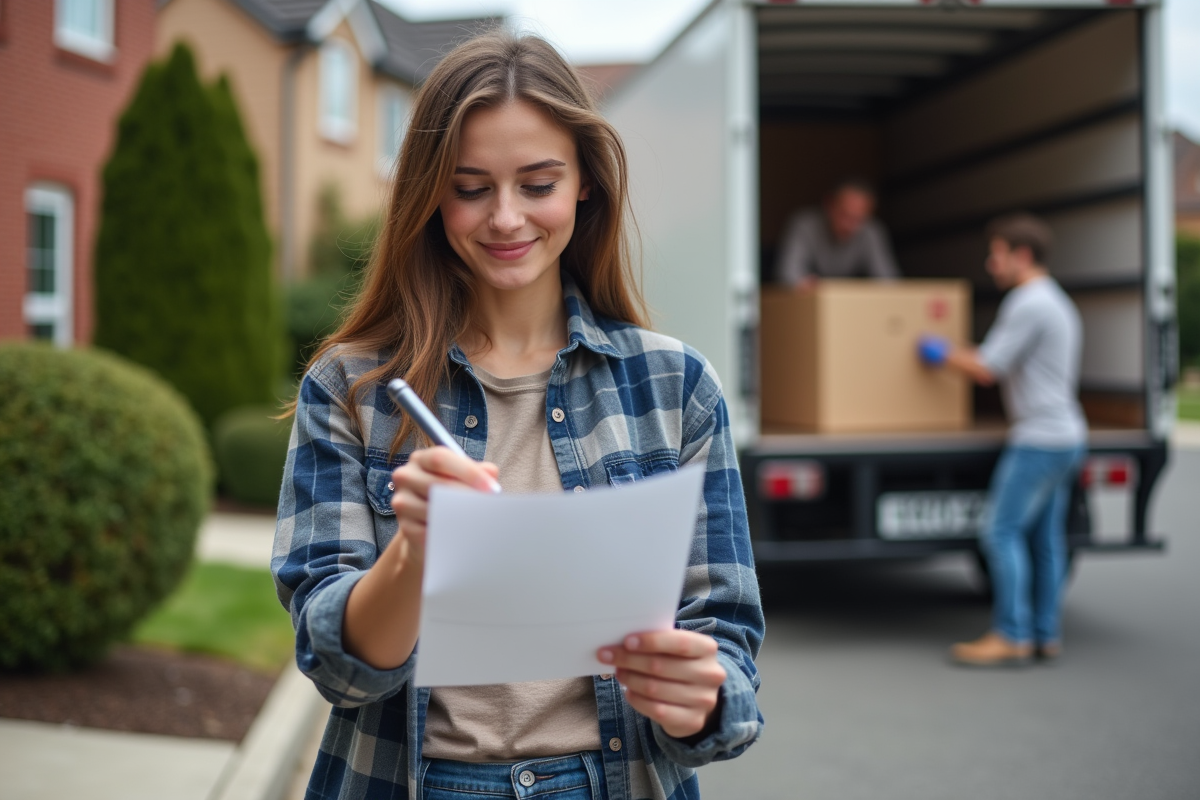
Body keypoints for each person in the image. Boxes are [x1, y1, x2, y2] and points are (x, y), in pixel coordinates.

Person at [272, 31, 764, 800]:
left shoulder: (676, 387)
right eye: (471, 188)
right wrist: (415, 554)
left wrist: (701, 699)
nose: (505, 218)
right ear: (430, 194)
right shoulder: (351, 388)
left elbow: (727, 652)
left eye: (537, 184)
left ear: (585, 183)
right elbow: (339, 670)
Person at [917, 213, 1087, 668]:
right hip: (1068, 435)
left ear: (1022, 256)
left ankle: (1011, 634)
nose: (990, 264)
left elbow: (987, 368)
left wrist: (940, 352)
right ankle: (1044, 634)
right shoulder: (1056, 301)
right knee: (1045, 540)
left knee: (1000, 532)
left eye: (997, 255)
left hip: (1039, 440)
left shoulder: (1027, 303)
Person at [773, 178, 899, 288]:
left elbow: (888, 281)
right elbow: (788, 273)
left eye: (858, 219)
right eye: (844, 215)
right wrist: (803, 284)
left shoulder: (871, 232)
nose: (849, 226)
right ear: (829, 205)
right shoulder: (804, 226)